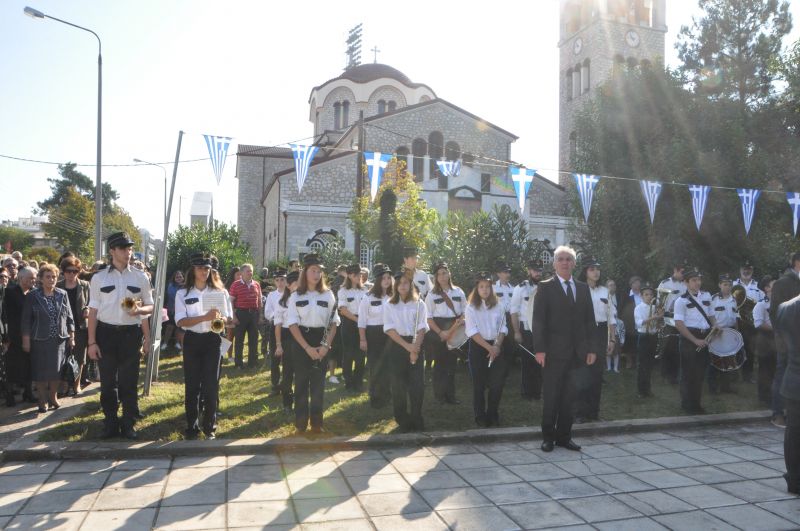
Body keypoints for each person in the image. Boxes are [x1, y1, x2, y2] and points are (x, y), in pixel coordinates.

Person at [87, 232, 154, 439]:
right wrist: (91, 342)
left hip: (129, 334)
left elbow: (150, 306)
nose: (128, 252)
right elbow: (93, 312)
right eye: (124, 248)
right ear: (112, 251)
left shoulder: (140, 277)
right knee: (108, 383)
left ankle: (128, 423)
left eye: (130, 248)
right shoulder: (99, 278)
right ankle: (110, 422)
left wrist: (141, 315)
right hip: (106, 333)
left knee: (129, 381)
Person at [533, 245, 596, 452]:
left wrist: (591, 349)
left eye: (568, 259)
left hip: (577, 354)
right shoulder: (545, 287)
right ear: (554, 264)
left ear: (574, 263)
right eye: (560, 259)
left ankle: (564, 436)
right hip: (552, 353)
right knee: (551, 396)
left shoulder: (583, 288)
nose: (565, 262)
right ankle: (548, 438)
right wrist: (540, 350)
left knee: (570, 398)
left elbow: (589, 321)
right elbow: (539, 321)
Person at [174, 253, 232, 440]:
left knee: (210, 385)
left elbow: (228, 318)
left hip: (213, 340)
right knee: (192, 385)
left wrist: (220, 319)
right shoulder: (183, 293)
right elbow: (181, 321)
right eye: (200, 268)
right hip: (192, 339)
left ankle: (210, 427)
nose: (204, 272)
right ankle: (192, 426)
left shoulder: (220, 292)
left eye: (207, 268)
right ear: (193, 270)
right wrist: (204, 318)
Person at [286, 253, 340, 434]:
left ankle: (317, 424)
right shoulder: (295, 296)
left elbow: (334, 323)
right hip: (302, 342)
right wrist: (307, 348)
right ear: (305, 272)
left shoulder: (328, 295)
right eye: (313, 270)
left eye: (319, 271)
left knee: (318, 385)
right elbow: (292, 325)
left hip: (322, 340)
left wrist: (325, 346)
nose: (317, 274)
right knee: (301, 384)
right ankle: (301, 424)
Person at [21, 264, 75, 413]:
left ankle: (53, 397)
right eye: (48, 277)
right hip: (39, 339)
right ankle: (42, 399)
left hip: (59, 340)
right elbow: (26, 320)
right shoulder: (33, 295)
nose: (51, 279)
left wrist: (72, 336)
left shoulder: (62, 294)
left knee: (57, 371)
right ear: (41, 279)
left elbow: (70, 317)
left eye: (54, 277)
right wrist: (26, 340)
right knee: (40, 371)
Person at [384, 271, 428, 432]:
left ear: (411, 285)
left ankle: (417, 417)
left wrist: (415, 347)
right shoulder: (389, 304)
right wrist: (407, 347)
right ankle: (402, 418)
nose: (402, 286)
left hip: (416, 343)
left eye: (406, 283)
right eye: (399, 283)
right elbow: (389, 329)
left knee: (417, 385)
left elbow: (422, 327)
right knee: (398, 386)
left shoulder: (419, 304)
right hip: (397, 345)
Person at [575, 257, 616, 424]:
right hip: (583, 333)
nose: (596, 272)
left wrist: (612, 340)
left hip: (600, 333)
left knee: (597, 375)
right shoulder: (578, 290)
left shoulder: (605, 291)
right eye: (592, 269)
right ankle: (579, 413)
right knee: (583, 374)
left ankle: (594, 413)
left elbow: (611, 317)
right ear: (585, 271)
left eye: (597, 268)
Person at [465, 272, 509, 427]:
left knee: (497, 384)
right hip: (478, 347)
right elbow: (471, 331)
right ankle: (480, 416)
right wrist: (489, 347)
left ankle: (492, 413)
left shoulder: (500, 305)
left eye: (488, 287)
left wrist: (496, 346)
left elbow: (503, 328)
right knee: (479, 384)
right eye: (481, 287)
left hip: (496, 346)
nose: (485, 290)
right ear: (476, 289)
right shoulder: (470, 307)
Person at [673, 267, 716, 414]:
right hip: (689, 337)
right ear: (686, 282)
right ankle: (687, 404)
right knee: (688, 373)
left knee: (700, 373)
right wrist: (694, 340)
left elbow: (711, 315)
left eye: (699, 280)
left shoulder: (706, 296)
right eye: (694, 280)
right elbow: (679, 324)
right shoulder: (681, 301)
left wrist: (716, 327)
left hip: (704, 336)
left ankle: (696, 404)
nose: (698, 283)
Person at [425, 262, 466, 405]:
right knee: (440, 363)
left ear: (449, 274)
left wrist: (456, 326)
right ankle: (439, 395)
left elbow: (465, 313)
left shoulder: (458, 292)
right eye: (439, 274)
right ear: (435, 278)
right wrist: (440, 332)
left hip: (455, 327)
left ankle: (451, 395)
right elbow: (428, 318)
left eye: (444, 273)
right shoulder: (431, 295)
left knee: (451, 363)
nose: (442, 277)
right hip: (438, 328)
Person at [770, 252, 800, 430]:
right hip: (788, 340)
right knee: (783, 374)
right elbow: (775, 313)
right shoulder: (783, 283)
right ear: (797, 262)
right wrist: (782, 338)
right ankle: (778, 413)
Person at [774, 292, 800, 495]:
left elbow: (781, 351)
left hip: (793, 378)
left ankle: (795, 479)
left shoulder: (784, 307)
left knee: (793, 431)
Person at [358, 263, 393, 408]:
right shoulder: (368, 297)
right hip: (374, 334)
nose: (386, 280)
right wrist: (363, 339)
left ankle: (387, 395)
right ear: (377, 280)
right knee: (375, 366)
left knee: (388, 366)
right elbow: (361, 320)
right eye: (383, 278)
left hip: (390, 334)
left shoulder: (393, 296)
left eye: (388, 278)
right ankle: (376, 398)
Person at [2, 266, 36, 405]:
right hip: (13, 336)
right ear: (21, 278)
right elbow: (4, 314)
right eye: (30, 278)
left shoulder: (34, 293)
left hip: (30, 335)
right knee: (11, 367)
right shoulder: (9, 293)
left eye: (34, 278)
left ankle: (28, 393)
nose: (33, 281)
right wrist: (6, 337)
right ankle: (9, 395)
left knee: (29, 365)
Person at [511, 259, 543, 400]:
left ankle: (537, 392)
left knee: (540, 361)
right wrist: (517, 331)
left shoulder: (545, 287)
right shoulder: (520, 288)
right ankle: (526, 393)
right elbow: (513, 311)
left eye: (539, 270)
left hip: (541, 330)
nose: (538, 273)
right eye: (535, 270)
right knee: (527, 362)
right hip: (526, 329)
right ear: (529, 271)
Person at [57, 256, 90, 395]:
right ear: (63, 271)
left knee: (79, 357)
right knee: (63, 356)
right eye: (68, 271)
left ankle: (77, 384)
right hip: (62, 326)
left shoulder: (85, 285)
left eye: (75, 271)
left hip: (80, 325)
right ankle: (64, 386)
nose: (72, 274)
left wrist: (87, 308)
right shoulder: (58, 285)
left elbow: (91, 300)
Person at [708, 274, 739, 394]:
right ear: (719, 285)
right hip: (717, 332)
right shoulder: (713, 299)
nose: (728, 287)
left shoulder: (734, 299)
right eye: (725, 284)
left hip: (730, 331)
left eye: (729, 285)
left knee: (728, 360)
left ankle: (726, 387)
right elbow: (709, 316)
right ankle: (712, 387)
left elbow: (735, 317)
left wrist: (737, 332)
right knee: (715, 359)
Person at [273, 270, 299, 413]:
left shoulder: (304, 298)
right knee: (288, 371)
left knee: (302, 371)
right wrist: (278, 345)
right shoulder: (282, 301)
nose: (298, 286)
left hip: (302, 335)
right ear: (289, 285)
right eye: (296, 283)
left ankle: (300, 400)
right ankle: (287, 403)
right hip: (287, 335)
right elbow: (277, 325)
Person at [338, 264, 367, 392]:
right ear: (349, 275)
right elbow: (343, 310)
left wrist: (362, 321)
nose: (359, 276)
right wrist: (358, 320)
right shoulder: (343, 290)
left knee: (361, 355)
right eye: (356, 274)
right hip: (349, 323)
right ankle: (348, 381)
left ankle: (358, 381)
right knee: (348, 354)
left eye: (360, 274)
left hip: (362, 322)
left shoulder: (365, 291)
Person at [734, 260, 764, 384]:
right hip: (735, 321)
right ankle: (733, 376)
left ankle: (747, 376)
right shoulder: (733, 284)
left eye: (749, 269)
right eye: (744, 269)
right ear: (740, 270)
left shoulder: (758, 286)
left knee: (750, 350)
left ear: (752, 270)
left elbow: (763, 303)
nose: (746, 271)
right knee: (735, 349)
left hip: (751, 324)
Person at [658, 260, 687, 384]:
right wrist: (660, 318)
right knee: (667, 347)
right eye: (682, 272)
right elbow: (660, 303)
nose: (683, 274)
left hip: (682, 319)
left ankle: (674, 376)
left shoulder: (686, 285)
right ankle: (665, 373)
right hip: (668, 319)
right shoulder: (665, 283)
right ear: (675, 270)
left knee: (678, 348)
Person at [754, 276, 779, 415]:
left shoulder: (780, 302)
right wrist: (776, 329)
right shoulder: (761, 305)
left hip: (777, 338)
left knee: (776, 367)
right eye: (773, 285)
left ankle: (775, 395)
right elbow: (758, 323)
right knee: (765, 368)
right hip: (765, 338)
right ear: (766, 288)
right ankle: (764, 397)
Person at [230, 263, 262, 369]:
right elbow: (230, 302)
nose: (250, 273)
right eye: (248, 271)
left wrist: (260, 315)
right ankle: (238, 364)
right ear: (242, 273)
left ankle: (253, 363)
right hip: (241, 314)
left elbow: (260, 301)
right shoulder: (235, 284)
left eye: (251, 271)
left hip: (254, 314)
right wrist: (234, 317)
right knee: (239, 340)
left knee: (254, 339)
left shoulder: (256, 284)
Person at [634, 282, 661, 398]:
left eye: (651, 295)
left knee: (650, 365)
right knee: (642, 365)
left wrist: (659, 319)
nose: (649, 297)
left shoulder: (655, 307)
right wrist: (653, 317)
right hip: (644, 336)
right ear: (641, 296)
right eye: (646, 295)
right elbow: (639, 323)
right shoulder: (638, 308)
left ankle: (648, 389)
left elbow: (658, 322)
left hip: (653, 336)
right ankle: (641, 390)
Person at [264, 269, 287, 397]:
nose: (280, 283)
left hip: (288, 328)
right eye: (277, 280)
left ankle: (286, 384)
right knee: (275, 358)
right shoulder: (272, 295)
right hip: (275, 327)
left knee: (288, 358)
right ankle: (275, 385)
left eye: (282, 279)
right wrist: (278, 316)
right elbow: (268, 312)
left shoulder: (291, 294)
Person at [327, 265, 348, 385]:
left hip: (339, 318)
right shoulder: (339, 282)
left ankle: (336, 374)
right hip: (338, 317)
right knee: (336, 348)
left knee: (338, 348)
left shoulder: (338, 282)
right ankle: (334, 374)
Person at [493, 261, 516, 366]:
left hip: (511, 318)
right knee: (498, 341)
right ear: (498, 274)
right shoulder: (493, 288)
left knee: (510, 343)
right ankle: (497, 364)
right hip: (498, 318)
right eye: (505, 272)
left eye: (509, 272)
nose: (507, 274)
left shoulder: (514, 289)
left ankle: (508, 365)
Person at [161, 270, 185, 353]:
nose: (178, 278)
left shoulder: (186, 286)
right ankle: (165, 343)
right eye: (177, 277)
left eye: (180, 276)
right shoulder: (171, 286)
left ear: (183, 278)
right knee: (169, 327)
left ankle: (177, 343)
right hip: (171, 309)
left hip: (182, 310)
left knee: (179, 328)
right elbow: (173, 296)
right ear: (174, 278)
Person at [223, 267, 241, 361]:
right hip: (230, 313)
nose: (240, 276)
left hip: (240, 313)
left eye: (241, 274)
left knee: (237, 336)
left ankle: (231, 355)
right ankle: (229, 356)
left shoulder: (242, 285)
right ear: (233, 275)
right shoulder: (228, 287)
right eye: (238, 274)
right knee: (230, 335)